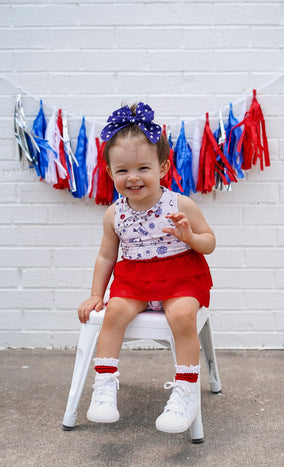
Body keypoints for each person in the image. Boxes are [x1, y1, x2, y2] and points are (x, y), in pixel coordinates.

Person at [78, 102, 216, 434]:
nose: (133, 177)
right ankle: (105, 385)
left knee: (182, 315)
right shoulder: (114, 214)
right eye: (123, 170)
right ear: (110, 173)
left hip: (180, 277)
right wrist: (96, 294)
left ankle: (185, 390)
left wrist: (190, 237)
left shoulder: (180, 204)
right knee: (113, 314)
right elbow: (106, 257)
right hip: (135, 281)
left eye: (143, 168)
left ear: (163, 167)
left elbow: (209, 241)